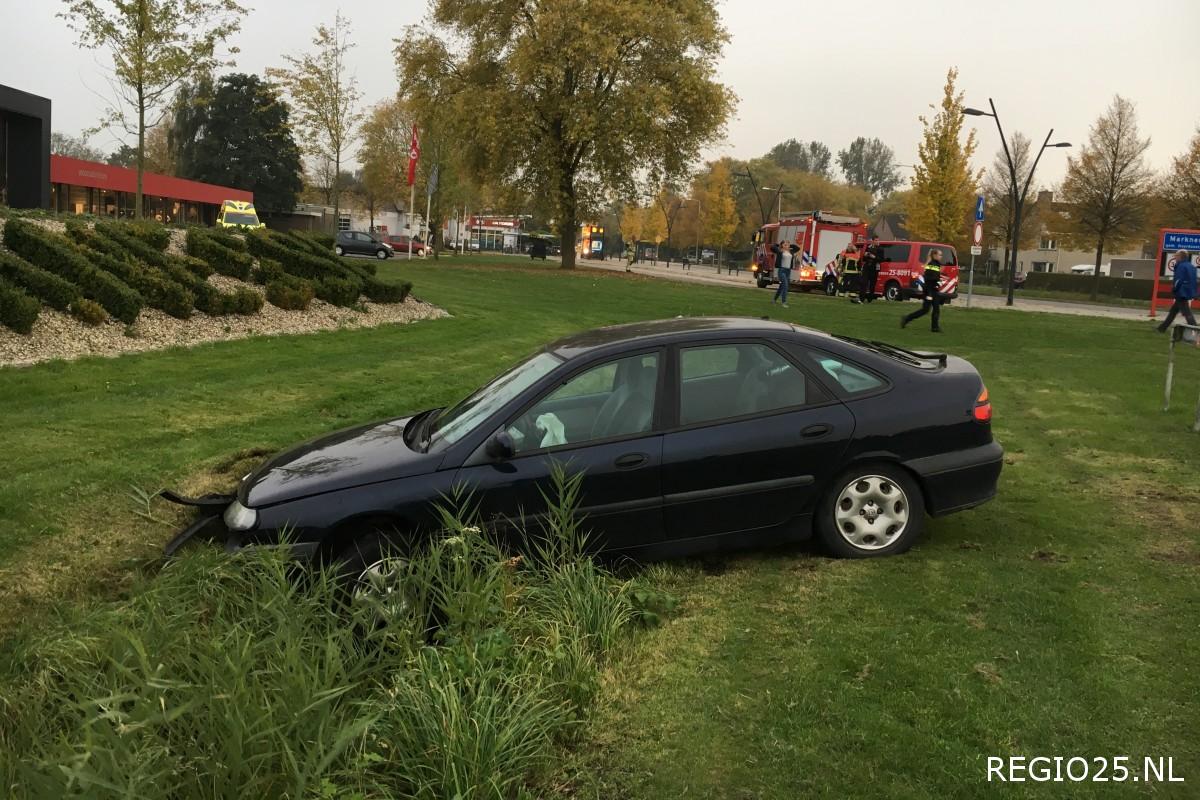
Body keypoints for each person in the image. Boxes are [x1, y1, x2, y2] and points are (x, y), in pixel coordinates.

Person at [901, 248, 946, 332]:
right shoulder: (932, 264)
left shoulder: (936, 264)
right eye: (940, 255)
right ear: (934, 255)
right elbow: (929, 278)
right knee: (925, 310)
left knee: (936, 308)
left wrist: (940, 277)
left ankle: (935, 327)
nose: (941, 256)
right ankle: (907, 318)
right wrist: (938, 280)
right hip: (930, 291)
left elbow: (934, 276)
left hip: (933, 290)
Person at [1157, 250, 1197, 332]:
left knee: (1186, 312)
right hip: (1187, 291)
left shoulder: (1181, 266)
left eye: (1176, 256)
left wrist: (1174, 289)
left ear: (1180, 257)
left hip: (1181, 292)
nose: (1175, 257)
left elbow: (1178, 280)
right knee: (1173, 311)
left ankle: (1195, 329)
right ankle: (1162, 328)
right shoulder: (1191, 266)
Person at [771, 239, 799, 307]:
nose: (787, 246)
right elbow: (772, 247)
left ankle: (774, 300)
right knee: (785, 286)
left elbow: (797, 248)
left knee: (781, 287)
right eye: (785, 245)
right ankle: (784, 302)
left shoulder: (791, 251)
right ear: (782, 245)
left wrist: (789, 245)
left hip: (788, 271)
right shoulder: (780, 251)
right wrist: (779, 245)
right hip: (782, 271)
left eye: (788, 245)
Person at [860, 239, 880, 303]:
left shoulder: (880, 249)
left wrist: (873, 257)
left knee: (872, 284)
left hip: (874, 269)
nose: (877, 241)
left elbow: (881, 259)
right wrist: (866, 255)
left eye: (878, 240)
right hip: (867, 267)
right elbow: (863, 259)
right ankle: (861, 298)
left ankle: (870, 298)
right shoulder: (868, 248)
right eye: (876, 240)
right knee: (864, 283)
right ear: (873, 241)